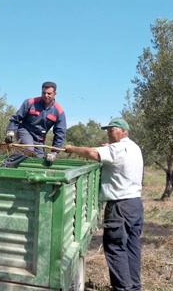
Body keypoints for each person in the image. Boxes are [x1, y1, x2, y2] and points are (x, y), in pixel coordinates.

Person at [64, 118, 144, 291]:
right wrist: (109, 146)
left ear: (124, 131)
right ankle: (134, 287)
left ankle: (122, 288)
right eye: (107, 130)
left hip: (119, 206)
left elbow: (93, 153)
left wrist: (71, 149)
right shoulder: (134, 147)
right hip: (135, 204)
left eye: (112, 130)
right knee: (132, 247)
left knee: (115, 247)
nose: (109, 133)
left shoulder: (118, 148)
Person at [2, 81, 66, 168]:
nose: (46, 95)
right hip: (25, 131)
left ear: (55, 94)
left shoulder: (59, 111)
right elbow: (16, 118)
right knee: (29, 150)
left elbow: (60, 133)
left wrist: (54, 152)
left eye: (49, 93)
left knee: (39, 160)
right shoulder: (30, 102)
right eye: (44, 93)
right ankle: (6, 165)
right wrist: (10, 131)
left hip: (39, 139)